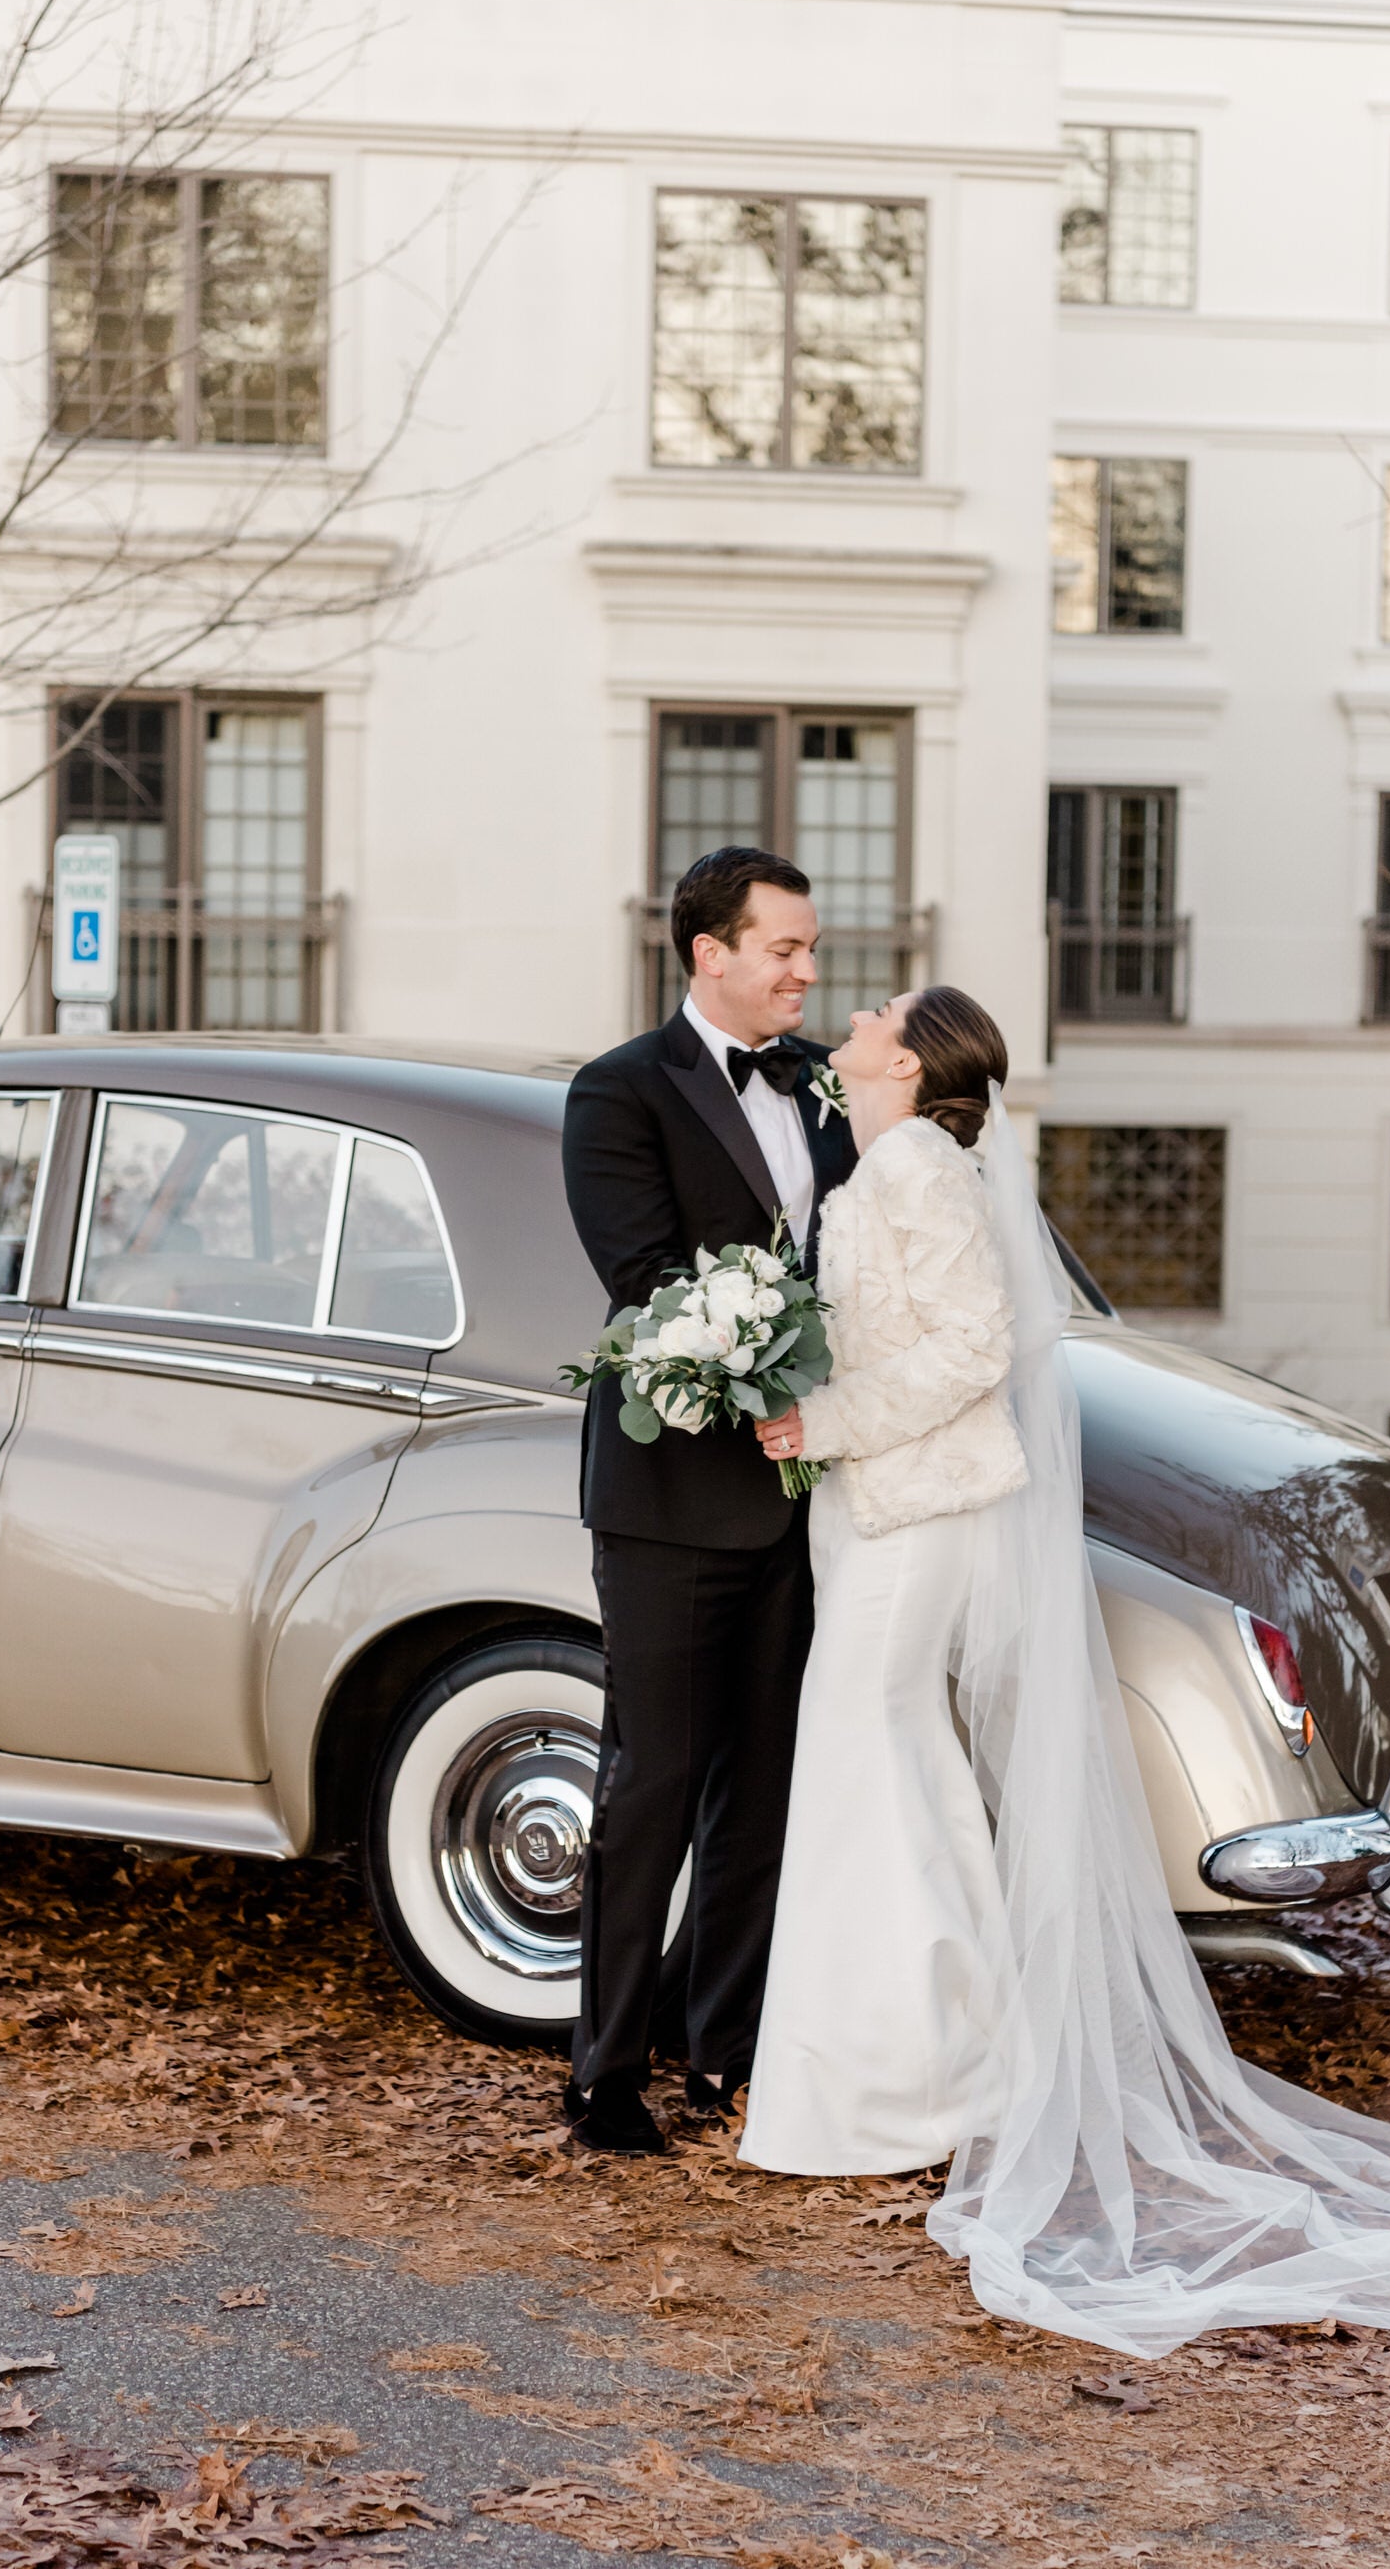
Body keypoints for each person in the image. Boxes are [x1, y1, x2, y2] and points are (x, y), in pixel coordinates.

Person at [742, 984, 1390, 2356]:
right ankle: (929, 2066)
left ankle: (898, 2082)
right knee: (890, 1766)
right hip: (884, 1510)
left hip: (911, 1511)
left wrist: (825, 1419)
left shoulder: (913, 1165)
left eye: (877, 1008)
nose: (850, 1009)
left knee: (870, 1754)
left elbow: (971, 1350)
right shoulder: (891, 1159)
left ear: (907, 1063)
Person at [559, 845, 857, 2156]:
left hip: (805, 1501)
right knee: (653, 1785)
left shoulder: (826, 1093)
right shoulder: (619, 1092)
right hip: (671, 1498)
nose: (806, 968)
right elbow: (643, 1284)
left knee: (765, 1791)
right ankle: (603, 2070)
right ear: (709, 954)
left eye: (806, 947)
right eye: (782, 947)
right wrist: (775, 1381)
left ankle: (720, 2052)